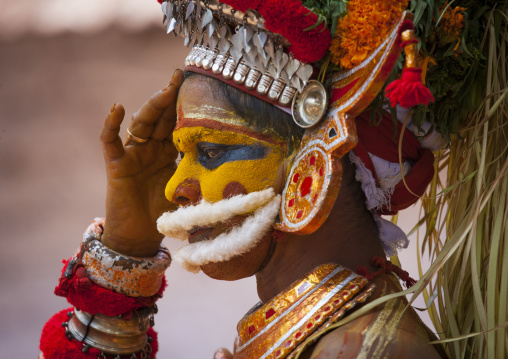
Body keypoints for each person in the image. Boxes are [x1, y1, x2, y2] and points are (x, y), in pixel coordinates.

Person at [40, 0, 507, 358]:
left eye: (211, 151)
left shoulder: (370, 349)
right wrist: (126, 247)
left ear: (312, 159)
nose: (173, 186)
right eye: (182, 154)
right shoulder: (324, 331)